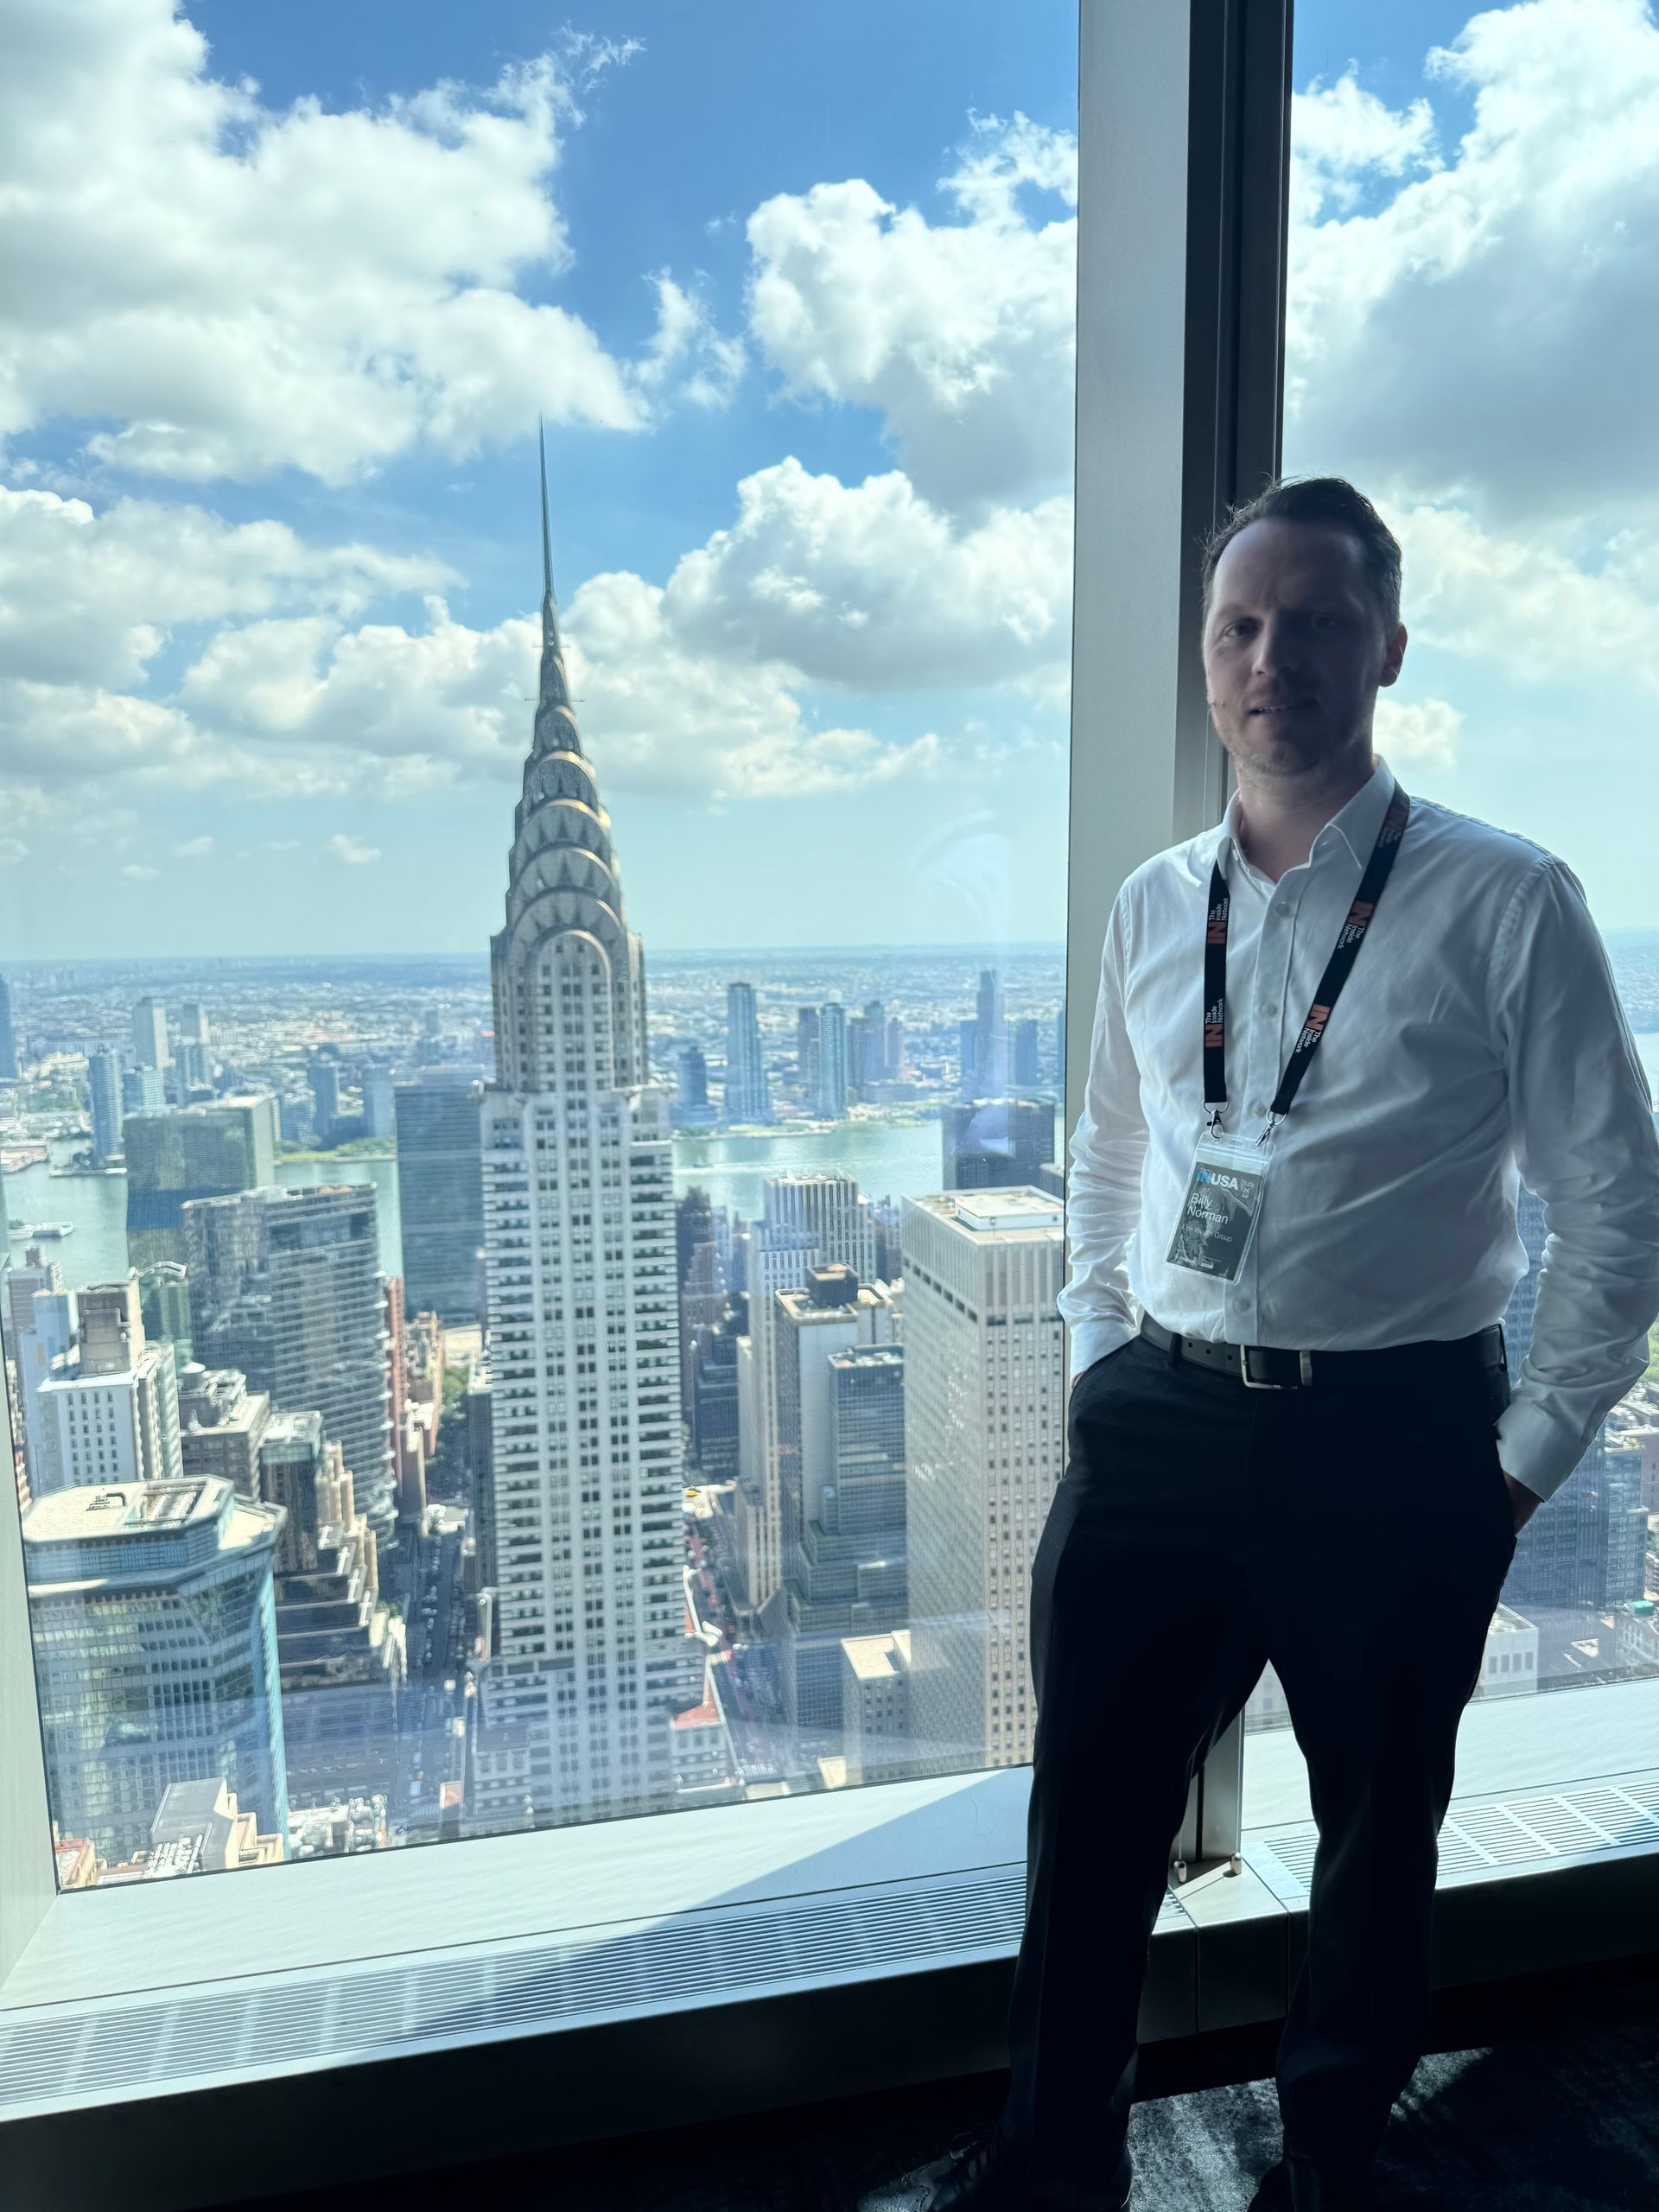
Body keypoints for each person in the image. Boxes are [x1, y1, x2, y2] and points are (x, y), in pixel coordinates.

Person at [858, 475, 1659, 2212]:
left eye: (1311, 622)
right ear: (1204, 654)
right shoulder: (1156, 903)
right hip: (1160, 1415)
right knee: (1088, 1826)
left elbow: (1618, 1196)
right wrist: (1094, 1362)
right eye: (1239, 624)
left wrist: (1521, 1461)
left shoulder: (1508, 899)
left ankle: (1330, 2166)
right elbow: (1110, 1157)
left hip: (1395, 1435)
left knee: (1379, 1846)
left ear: (1385, 646)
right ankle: (1057, 2160)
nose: (1269, 656)